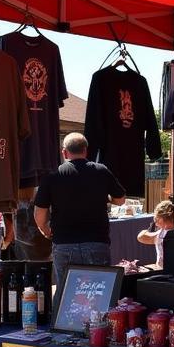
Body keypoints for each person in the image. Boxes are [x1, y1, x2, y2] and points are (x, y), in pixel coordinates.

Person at [34, 132, 125, 311]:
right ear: (86, 150)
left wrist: (44, 229)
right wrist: (106, 198)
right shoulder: (101, 170)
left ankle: (62, 331)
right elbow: (120, 199)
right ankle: (98, 332)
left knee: (65, 292)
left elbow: (39, 213)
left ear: (64, 153)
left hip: (64, 243)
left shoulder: (53, 175)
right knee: (100, 293)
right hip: (96, 242)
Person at [136, 199, 174, 269]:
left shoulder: (160, 235)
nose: (155, 221)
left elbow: (141, 237)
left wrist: (151, 232)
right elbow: (140, 237)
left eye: (157, 218)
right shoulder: (160, 233)